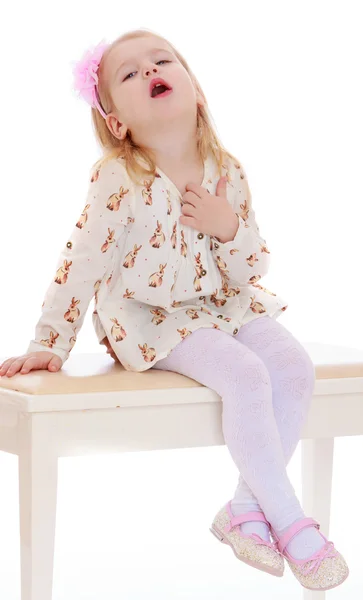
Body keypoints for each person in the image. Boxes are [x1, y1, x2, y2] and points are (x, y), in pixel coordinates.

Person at [0, 29, 348, 590]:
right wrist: (49, 343)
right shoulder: (119, 177)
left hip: (222, 304)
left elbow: (251, 265)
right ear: (118, 122)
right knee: (245, 374)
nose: (149, 70)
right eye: (129, 74)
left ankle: (244, 507)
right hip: (150, 319)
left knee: (291, 365)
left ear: (196, 89)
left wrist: (226, 226)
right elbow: (81, 261)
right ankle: (290, 518)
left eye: (161, 60)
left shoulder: (227, 170)